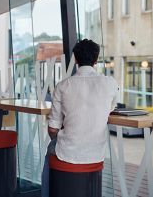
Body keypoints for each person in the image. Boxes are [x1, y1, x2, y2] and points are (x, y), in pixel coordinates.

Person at [41, 39, 119, 197]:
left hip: (67, 153)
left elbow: (52, 129)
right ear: (96, 60)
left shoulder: (63, 86)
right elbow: (110, 108)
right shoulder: (110, 84)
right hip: (96, 154)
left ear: (75, 59)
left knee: (49, 152)